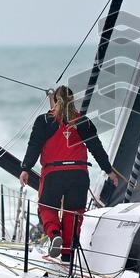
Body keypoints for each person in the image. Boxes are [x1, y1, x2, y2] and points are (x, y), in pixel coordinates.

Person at [19, 85, 118, 260]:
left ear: (55, 100)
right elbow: (96, 147)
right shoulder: (83, 121)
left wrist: (26, 168)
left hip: (54, 174)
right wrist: (108, 170)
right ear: (73, 100)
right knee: (74, 213)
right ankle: (67, 255)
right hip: (78, 174)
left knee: (46, 207)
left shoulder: (44, 120)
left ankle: (54, 233)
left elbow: (34, 146)